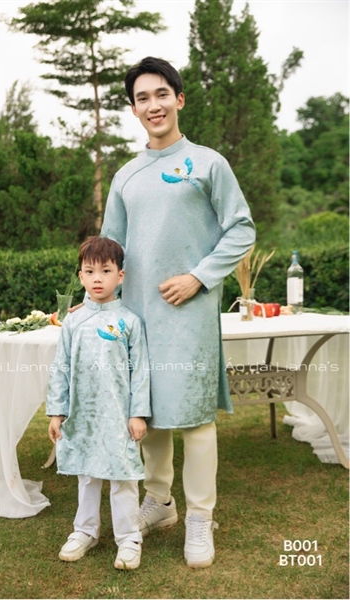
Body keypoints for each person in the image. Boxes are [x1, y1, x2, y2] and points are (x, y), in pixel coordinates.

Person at [100, 56, 256, 569]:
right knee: (148, 413)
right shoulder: (125, 176)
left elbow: (241, 229)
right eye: (142, 98)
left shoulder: (208, 164)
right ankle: (160, 503)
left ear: (179, 99)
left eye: (161, 94)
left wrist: (198, 276)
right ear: (133, 109)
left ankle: (200, 518)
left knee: (194, 416)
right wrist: (97, 304)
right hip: (138, 314)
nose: (153, 105)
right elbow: (111, 249)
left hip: (190, 311)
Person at [46, 236, 151, 570]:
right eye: (89, 271)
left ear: (120, 276)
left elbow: (141, 372)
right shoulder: (73, 322)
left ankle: (129, 538)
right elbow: (60, 368)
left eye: (106, 271)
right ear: (80, 277)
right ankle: (85, 531)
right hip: (83, 415)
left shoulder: (130, 322)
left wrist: (138, 414)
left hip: (120, 415)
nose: (97, 278)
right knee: (87, 474)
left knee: (123, 476)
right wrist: (57, 412)